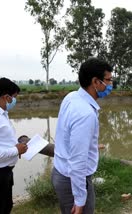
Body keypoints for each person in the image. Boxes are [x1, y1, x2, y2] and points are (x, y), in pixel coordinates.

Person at [51, 58, 113, 214]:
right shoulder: (85, 113)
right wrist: (79, 200)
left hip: (61, 171)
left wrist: (90, 145)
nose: (111, 84)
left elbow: (66, 134)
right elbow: (78, 161)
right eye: (108, 80)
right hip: (72, 180)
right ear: (95, 82)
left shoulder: (71, 97)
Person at [0, 77, 28, 214]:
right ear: (6, 97)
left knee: (6, 207)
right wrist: (14, 150)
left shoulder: (1, 113)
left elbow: (1, 141)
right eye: (14, 97)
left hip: (5, 173)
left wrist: (16, 148)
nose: (14, 101)